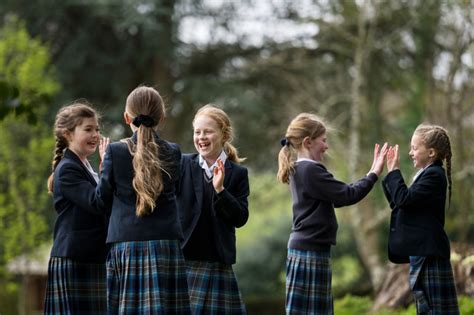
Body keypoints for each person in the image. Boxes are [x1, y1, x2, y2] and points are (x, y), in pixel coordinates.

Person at [277, 113, 387, 315]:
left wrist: (371, 173)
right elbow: (346, 195)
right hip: (310, 251)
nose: (326, 146)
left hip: (306, 249)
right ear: (308, 142)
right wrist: (374, 173)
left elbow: (335, 197)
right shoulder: (311, 170)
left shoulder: (300, 169)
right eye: (324, 141)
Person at [97, 86, 190, 314]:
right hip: (165, 245)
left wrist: (103, 168)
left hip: (127, 245)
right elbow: (176, 191)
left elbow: (101, 200)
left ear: (126, 117)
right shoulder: (174, 151)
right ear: (161, 118)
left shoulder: (115, 152)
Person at [176, 104, 249, 314]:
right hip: (185, 261)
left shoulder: (237, 173)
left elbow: (241, 218)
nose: (201, 137)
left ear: (224, 134)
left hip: (218, 263)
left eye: (208, 131)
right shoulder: (182, 165)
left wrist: (220, 190)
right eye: (197, 132)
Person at [382, 124, 459, 314]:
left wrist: (394, 172)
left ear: (431, 152)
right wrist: (390, 174)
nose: (410, 152)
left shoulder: (434, 175)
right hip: (422, 254)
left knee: (434, 310)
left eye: (415, 148)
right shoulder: (425, 175)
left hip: (430, 255)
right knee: (426, 308)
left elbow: (404, 200)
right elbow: (400, 205)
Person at [45, 102, 108, 314]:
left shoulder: (87, 168)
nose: (95, 135)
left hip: (90, 258)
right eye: (88, 129)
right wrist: (108, 168)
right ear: (68, 134)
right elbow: (97, 202)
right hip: (75, 259)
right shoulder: (68, 169)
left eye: (97, 129)